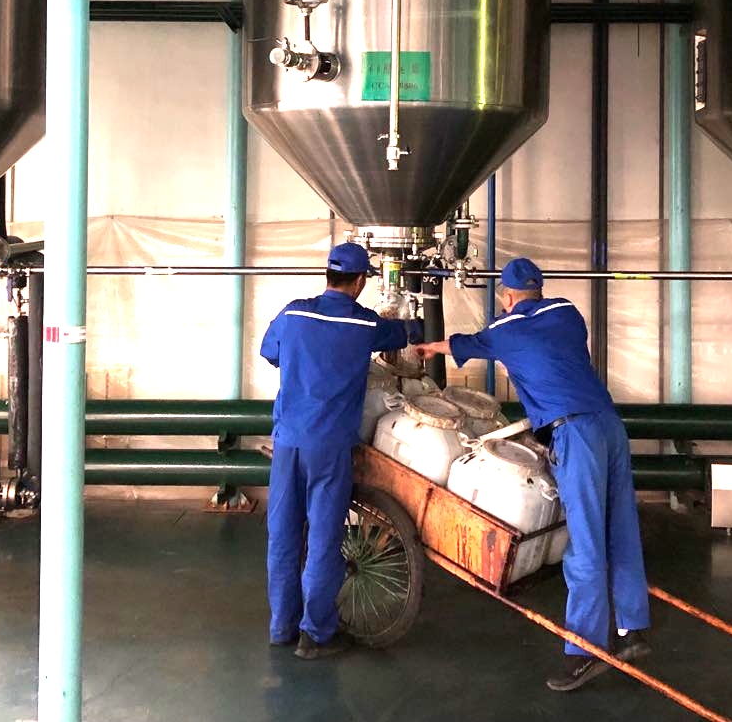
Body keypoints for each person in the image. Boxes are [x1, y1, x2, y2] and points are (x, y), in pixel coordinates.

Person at [412, 256, 651, 692]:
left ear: (507, 297)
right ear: (539, 288)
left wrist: (430, 348)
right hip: (609, 426)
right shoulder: (567, 312)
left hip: (574, 434)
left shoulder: (506, 329)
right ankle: (631, 629)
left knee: (585, 543)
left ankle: (585, 651)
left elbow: (469, 343)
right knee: (621, 528)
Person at [260, 241, 417, 660]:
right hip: (328, 449)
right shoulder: (363, 324)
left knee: (283, 535)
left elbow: (269, 352)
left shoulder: (293, 313)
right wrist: (414, 326)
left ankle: (282, 626)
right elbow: (400, 334)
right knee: (325, 538)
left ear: (328, 274)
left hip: (288, 442)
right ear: (361, 281)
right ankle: (315, 634)